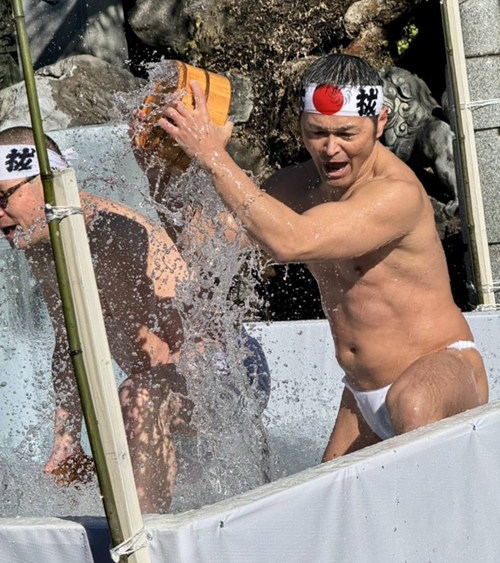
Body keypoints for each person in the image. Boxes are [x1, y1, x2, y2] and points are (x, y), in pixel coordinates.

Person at [152, 53, 489, 459]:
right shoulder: (297, 186)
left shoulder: (395, 194)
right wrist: (155, 164)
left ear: (380, 122)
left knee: (412, 405)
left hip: (441, 370)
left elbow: (290, 241)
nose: (331, 149)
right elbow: (202, 243)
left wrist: (214, 157)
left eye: (347, 133)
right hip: (362, 395)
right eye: (317, 133)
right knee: (326, 490)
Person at [0, 126, 270, 511]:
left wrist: (148, 414)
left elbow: (184, 340)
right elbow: (69, 343)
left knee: (138, 396)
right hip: (165, 376)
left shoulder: (111, 234)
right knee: (137, 399)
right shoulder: (42, 243)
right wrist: (66, 441)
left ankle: (146, 538)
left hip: (229, 366)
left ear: (47, 183)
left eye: (3, 197)